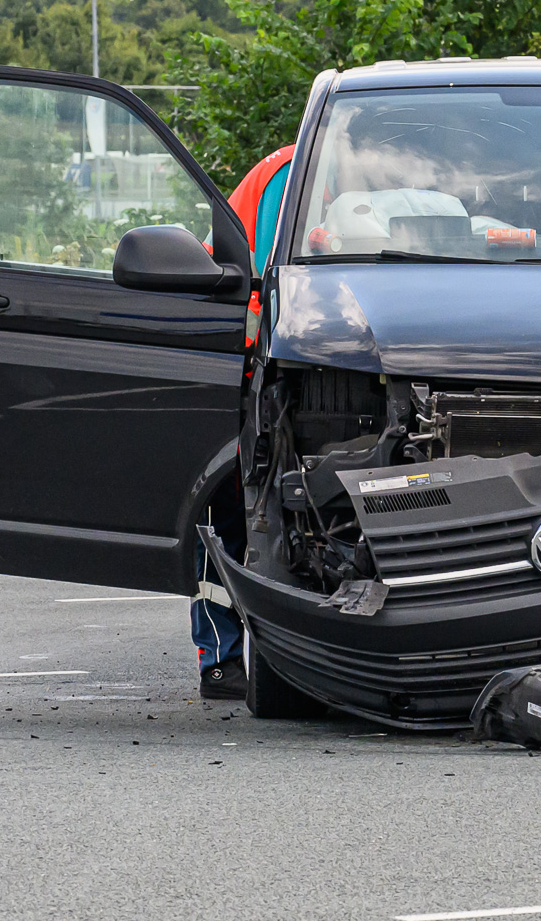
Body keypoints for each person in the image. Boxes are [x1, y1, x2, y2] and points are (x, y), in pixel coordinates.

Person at [195, 145, 295, 700]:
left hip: (267, 373)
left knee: (235, 517)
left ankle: (230, 657)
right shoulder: (286, 174)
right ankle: (221, 659)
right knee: (228, 515)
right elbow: (249, 274)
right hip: (249, 373)